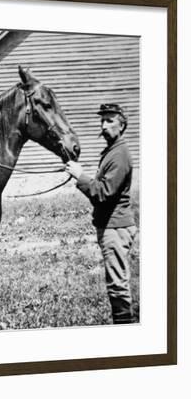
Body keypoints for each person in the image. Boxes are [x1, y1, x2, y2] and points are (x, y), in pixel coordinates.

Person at [65, 103, 137, 324]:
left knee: (118, 285)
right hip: (111, 226)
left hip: (115, 228)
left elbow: (103, 193)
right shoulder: (113, 151)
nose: (104, 125)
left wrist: (81, 176)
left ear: (121, 125)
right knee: (116, 282)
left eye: (110, 121)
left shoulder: (120, 155)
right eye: (102, 120)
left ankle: (127, 334)